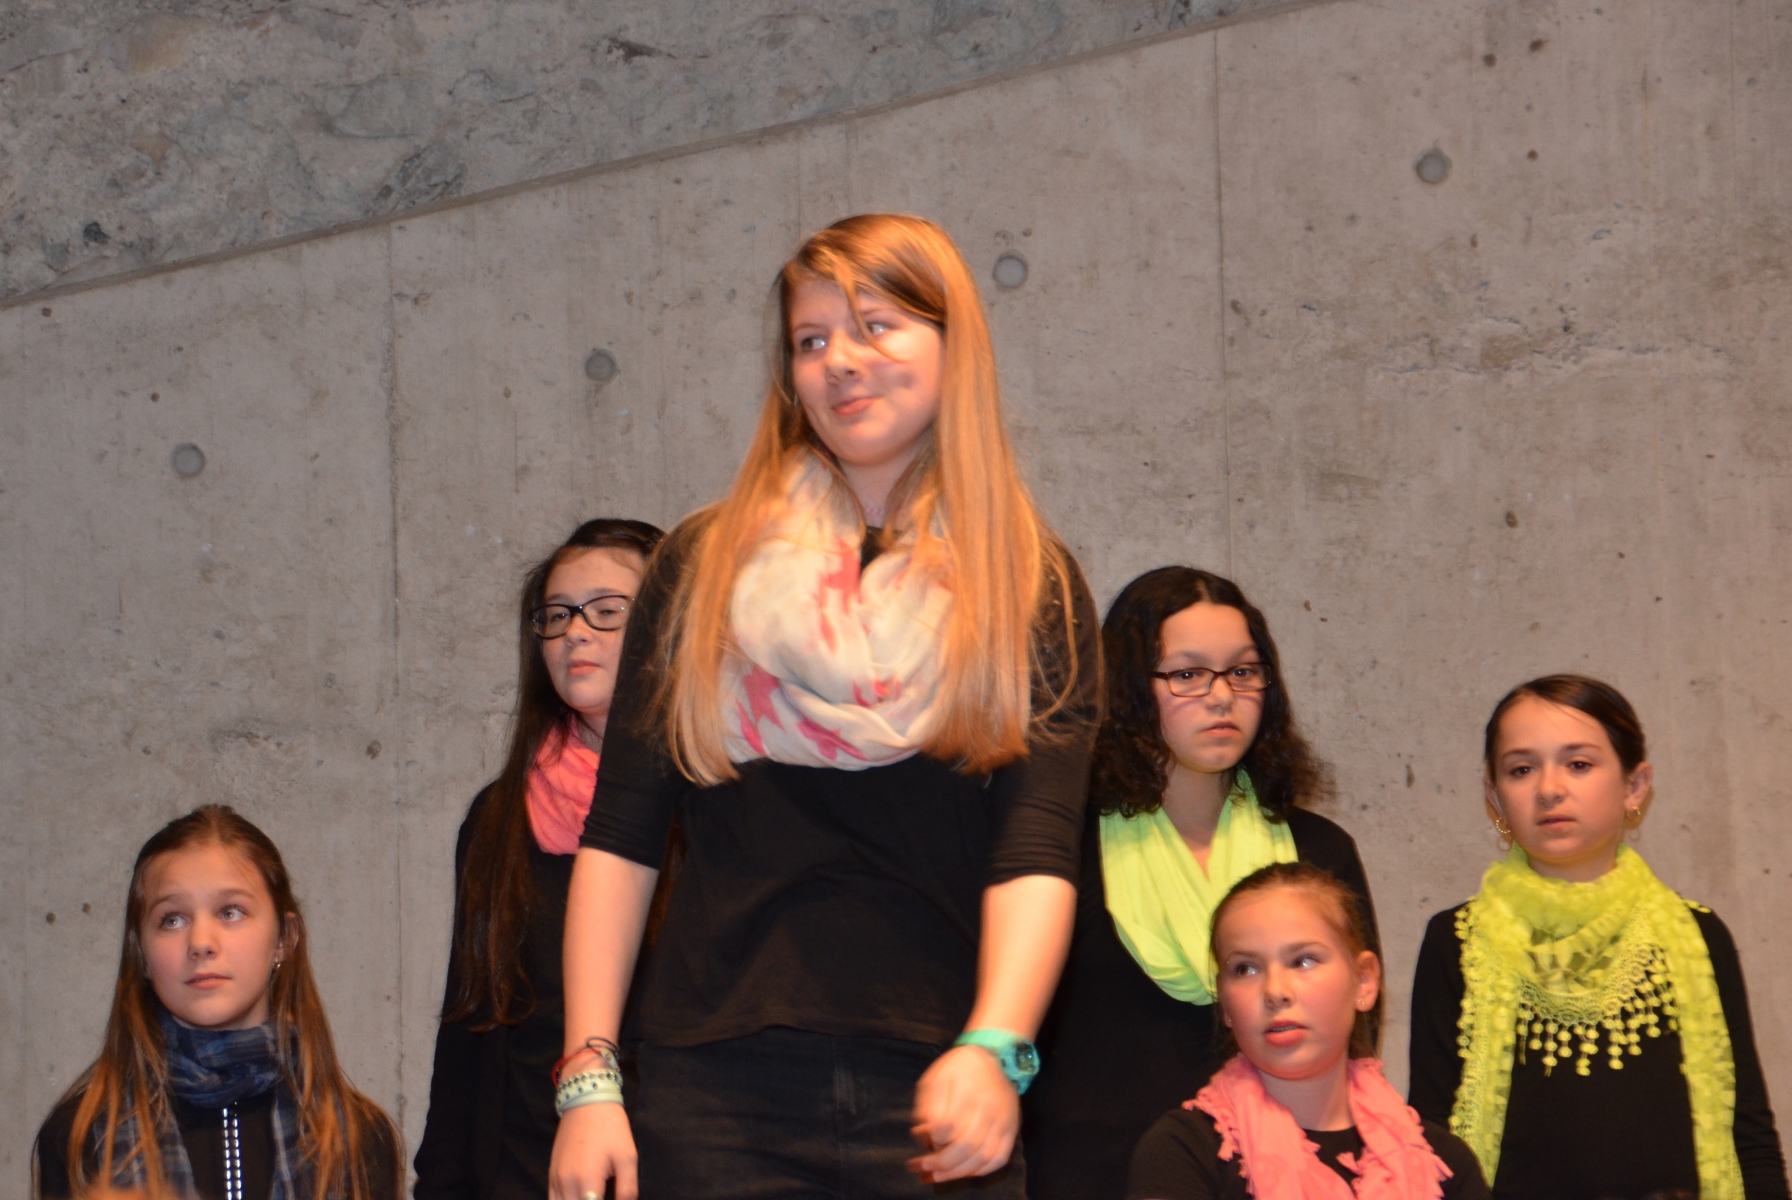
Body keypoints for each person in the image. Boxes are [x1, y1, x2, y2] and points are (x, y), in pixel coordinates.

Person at [548, 213, 1100, 1200]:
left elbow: (1038, 846)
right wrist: (589, 1081)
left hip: (940, 1079)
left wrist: (997, 1045)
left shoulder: (1027, 583)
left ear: (954, 345)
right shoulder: (703, 565)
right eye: (811, 340)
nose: (840, 361)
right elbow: (622, 833)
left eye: (875, 326)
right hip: (712, 1089)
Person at [1024, 567, 1379, 1200]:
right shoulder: (1063, 846)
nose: (1221, 697)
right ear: (1129, 687)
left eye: (1242, 671)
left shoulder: (1320, 851)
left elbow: (1352, 1047)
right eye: (1187, 675)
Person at [1408, 674, 1789, 1200]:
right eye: (1521, 769)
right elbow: (1428, 1142)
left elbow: (1749, 1132)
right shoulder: (1456, 941)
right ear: (1495, 798)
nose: (1549, 788)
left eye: (1579, 764)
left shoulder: (1698, 937)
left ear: (1634, 786)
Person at [413, 518, 665, 1200]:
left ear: (672, 626)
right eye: (556, 616)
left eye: (607, 611)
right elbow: (470, 1028)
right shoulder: (501, 816)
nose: (575, 633)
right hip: (528, 1174)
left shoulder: (717, 806)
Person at [33, 805, 400, 1200]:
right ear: (142, 954)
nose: (201, 943)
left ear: (283, 938)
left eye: (230, 912)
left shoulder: (359, 1137)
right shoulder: (79, 1136)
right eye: (172, 919)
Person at [1125, 862, 1487, 1200]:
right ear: (1225, 1002)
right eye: (1246, 969)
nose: (1275, 991)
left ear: (1364, 981)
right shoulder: (1182, 1153)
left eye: (1303, 961)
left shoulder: (1444, 1163)